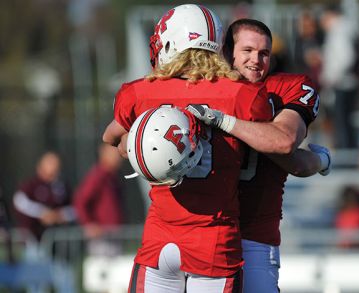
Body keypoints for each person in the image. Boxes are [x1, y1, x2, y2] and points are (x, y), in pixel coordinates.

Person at [102, 4, 274, 292]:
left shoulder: (140, 92)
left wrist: (135, 145)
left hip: (160, 237)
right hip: (214, 241)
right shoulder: (243, 95)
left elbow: (111, 137)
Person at [188, 19, 331, 293]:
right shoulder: (203, 87)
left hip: (254, 235)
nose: (256, 60)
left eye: (264, 53)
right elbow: (123, 139)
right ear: (227, 51)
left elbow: (284, 142)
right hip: (204, 231)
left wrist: (224, 122)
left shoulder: (285, 87)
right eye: (248, 51)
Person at [319, 3, 359, 149]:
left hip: (341, 83)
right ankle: (348, 148)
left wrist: (332, 77)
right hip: (346, 82)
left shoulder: (339, 30)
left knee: (342, 121)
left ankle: (345, 152)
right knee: (346, 120)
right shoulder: (345, 28)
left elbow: (346, 57)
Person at [73, 143, 124, 257]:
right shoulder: (98, 175)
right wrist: (88, 223)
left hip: (114, 235)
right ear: (103, 153)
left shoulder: (112, 177)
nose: (119, 156)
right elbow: (80, 200)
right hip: (102, 238)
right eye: (114, 152)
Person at [13, 151, 76, 241]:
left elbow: (75, 206)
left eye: (56, 164)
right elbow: (19, 201)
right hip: (33, 237)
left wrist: (61, 215)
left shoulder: (62, 186)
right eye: (51, 163)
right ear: (41, 166)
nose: (54, 167)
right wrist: (42, 213)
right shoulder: (31, 185)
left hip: (58, 239)